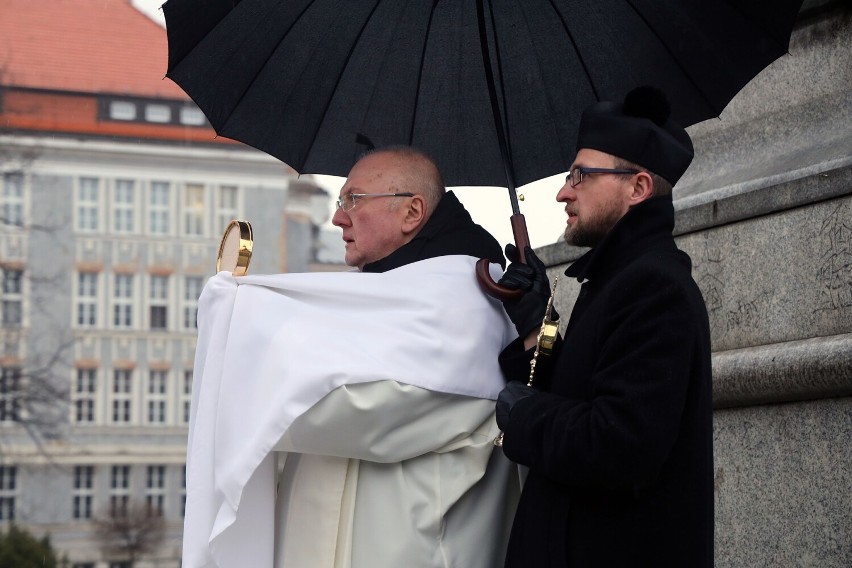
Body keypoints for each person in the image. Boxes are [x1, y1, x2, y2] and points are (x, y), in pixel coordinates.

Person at [182, 146, 519, 568]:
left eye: (353, 200)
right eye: (341, 202)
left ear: (412, 212)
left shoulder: (462, 300)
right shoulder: (380, 291)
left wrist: (247, 329)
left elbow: (366, 412)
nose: (339, 217)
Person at [494, 87, 714, 567]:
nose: (562, 191)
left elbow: (621, 443)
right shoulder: (617, 279)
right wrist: (540, 321)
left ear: (637, 188)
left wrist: (524, 420)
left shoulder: (655, 287)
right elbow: (578, 390)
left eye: (580, 176)